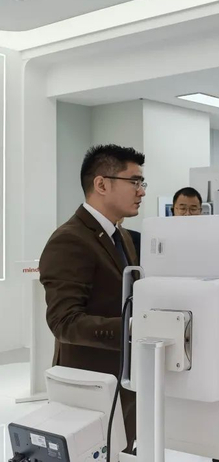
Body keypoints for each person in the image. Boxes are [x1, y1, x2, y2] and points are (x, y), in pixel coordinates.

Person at [39, 144, 147, 451]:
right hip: (89, 381)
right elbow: (64, 322)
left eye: (142, 183)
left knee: (123, 449)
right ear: (101, 184)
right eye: (134, 182)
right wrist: (131, 328)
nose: (141, 191)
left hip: (124, 378)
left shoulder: (121, 235)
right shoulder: (70, 240)